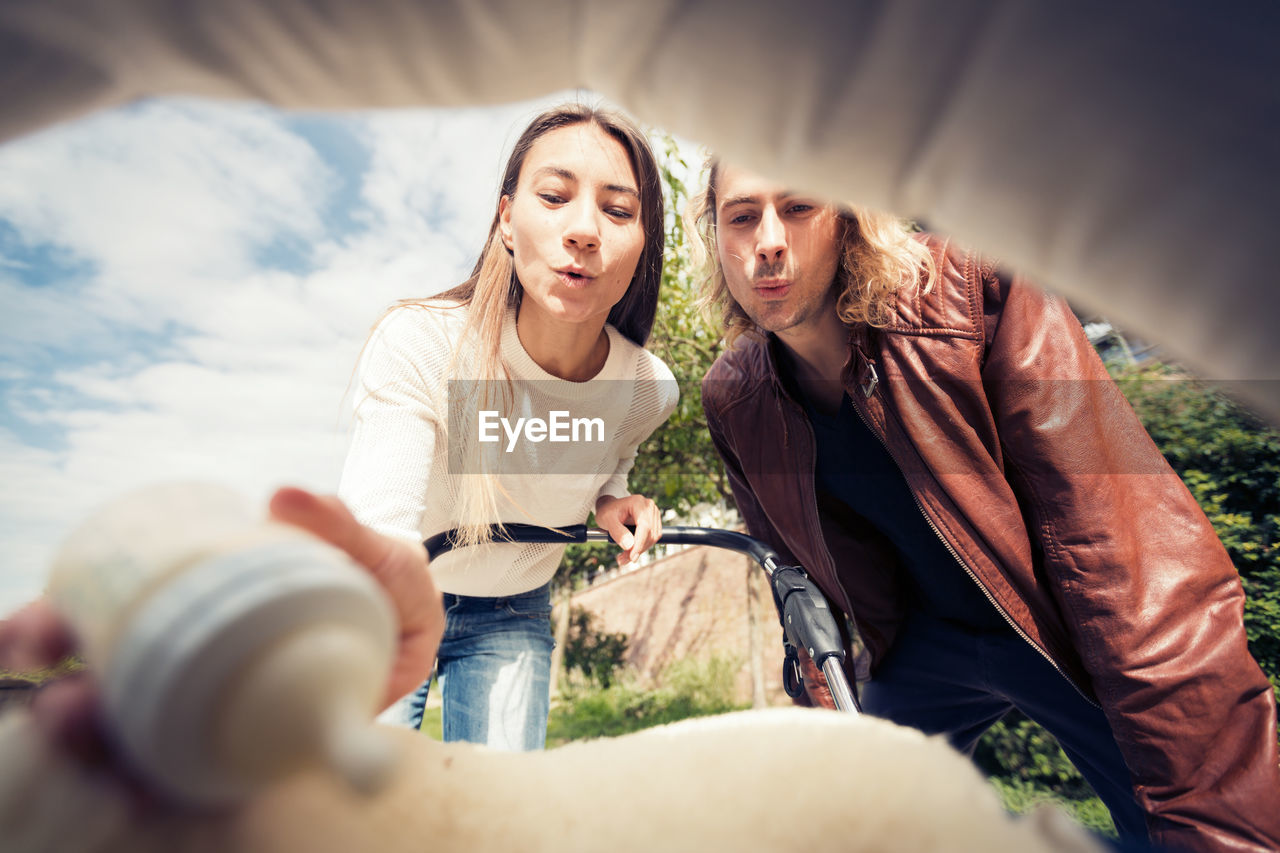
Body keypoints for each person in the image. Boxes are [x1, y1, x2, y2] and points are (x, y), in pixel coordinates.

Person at [690, 160, 1280, 853]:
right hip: (922, 645)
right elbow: (795, 577)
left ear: (847, 217)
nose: (768, 240)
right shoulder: (736, 396)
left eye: (798, 208)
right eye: (741, 216)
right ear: (717, 238)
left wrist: (1219, 814)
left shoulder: (974, 291)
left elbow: (1129, 554)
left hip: (1054, 626)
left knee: (1185, 826)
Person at [336, 103, 677, 750]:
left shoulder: (648, 388)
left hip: (514, 611)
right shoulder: (423, 343)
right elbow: (381, 520)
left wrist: (611, 497)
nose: (584, 230)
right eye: (554, 196)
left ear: (644, 241)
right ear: (507, 220)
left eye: (618, 209)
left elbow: (609, 453)